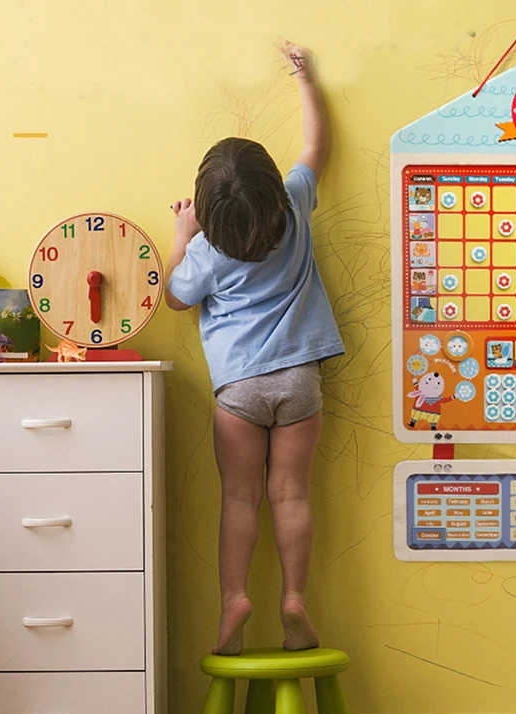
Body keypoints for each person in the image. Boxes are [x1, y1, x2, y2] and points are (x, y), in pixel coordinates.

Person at [164, 42, 344, 655]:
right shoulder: (294, 205)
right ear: (271, 190)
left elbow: (175, 299)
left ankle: (233, 599)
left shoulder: (208, 251)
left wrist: (182, 236)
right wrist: (305, 77)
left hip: (238, 389)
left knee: (239, 498)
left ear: (210, 212)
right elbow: (316, 147)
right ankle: (294, 596)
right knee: (291, 493)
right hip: (300, 382)